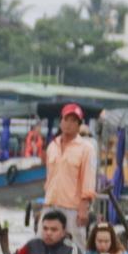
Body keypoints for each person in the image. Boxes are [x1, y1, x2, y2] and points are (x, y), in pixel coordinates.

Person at [44, 102, 96, 244]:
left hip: (73, 208)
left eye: (74, 120)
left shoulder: (87, 149)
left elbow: (88, 180)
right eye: (66, 119)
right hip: (50, 204)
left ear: (79, 125)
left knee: (75, 247)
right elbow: (49, 178)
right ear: (60, 121)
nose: (69, 124)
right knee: (44, 243)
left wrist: (83, 209)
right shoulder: (52, 146)